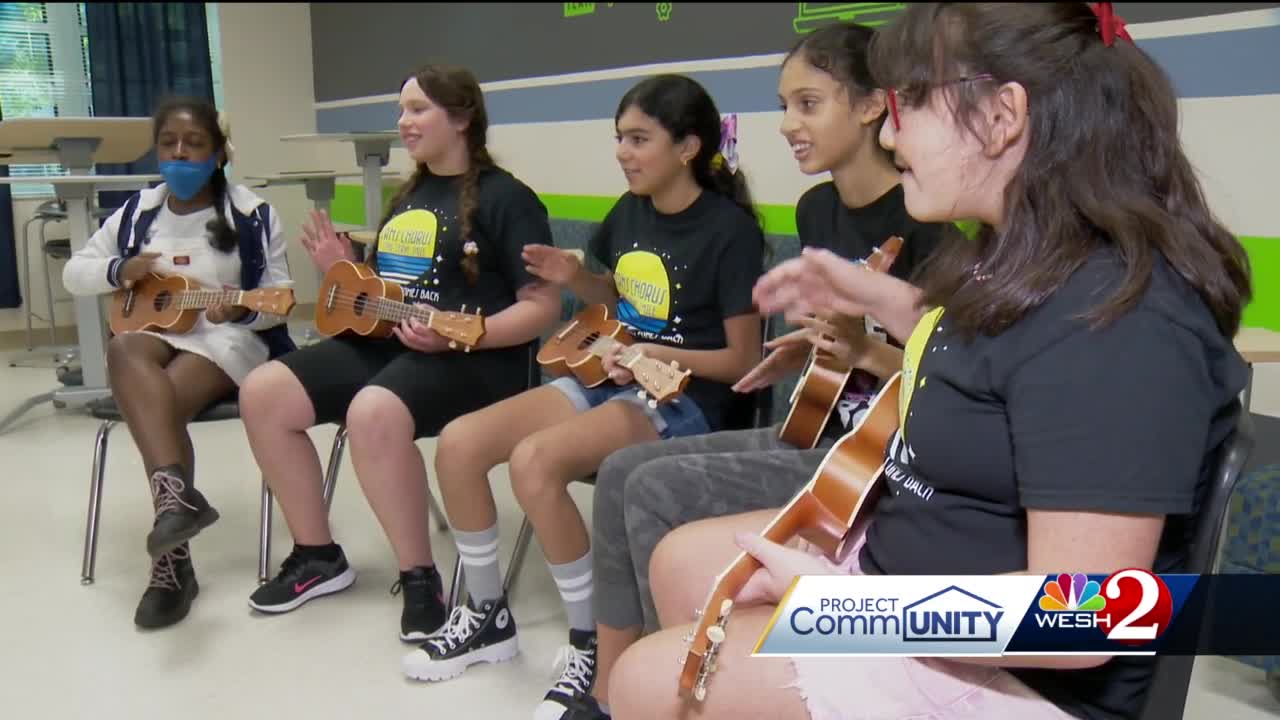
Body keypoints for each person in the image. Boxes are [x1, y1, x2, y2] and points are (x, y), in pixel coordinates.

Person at [607, 3, 1252, 719]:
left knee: (647, 680)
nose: (888, 132)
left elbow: (1083, 619)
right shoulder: (1021, 257)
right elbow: (998, 357)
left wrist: (848, 608)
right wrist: (874, 294)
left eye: (909, 102)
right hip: (906, 576)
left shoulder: (1120, 320)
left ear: (1003, 114)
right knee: (679, 559)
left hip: (1021, 677)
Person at [567, 23, 946, 720]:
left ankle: (674, 685)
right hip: (816, 424)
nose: (786, 126)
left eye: (808, 104)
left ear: (871, 107)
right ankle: (610, 684)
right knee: (624, 470)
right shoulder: (817, 209)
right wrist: (807, 346)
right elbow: (844, 331)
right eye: (783, 106)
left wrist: (863, 349)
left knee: (651, 488)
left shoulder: (929, 224)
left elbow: (945, 378)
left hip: (872, 457)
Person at [404, 73, 766, 711]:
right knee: (460, 444)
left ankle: (590, 640)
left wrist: (653, 352)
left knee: (534, 461)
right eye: (619, 138)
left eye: (638, 139)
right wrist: (579, 277)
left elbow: (742, 359)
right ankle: (487, 615)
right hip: (612, 375)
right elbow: (614, 296)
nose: (623, 152)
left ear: (686, 148)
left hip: (686, 404)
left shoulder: (729, 231)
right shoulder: (630, 210)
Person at [237, 64, 561, 644]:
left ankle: (420, 579)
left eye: (417, 110)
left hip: (479, 361)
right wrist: (344, 269)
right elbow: (385, 295)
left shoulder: (510, 199)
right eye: (402, 110)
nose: (403, 122)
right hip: (396, 346)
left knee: (372, 411)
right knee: (263, 392)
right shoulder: (409, 194)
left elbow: (540, 309)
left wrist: (465, 333)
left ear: (460, 119)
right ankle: (318, 555)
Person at [62, 97, 294, 629]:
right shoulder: (138, 212)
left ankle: (171, 565)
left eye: (194, 145)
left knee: (156, 398)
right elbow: (76, 272)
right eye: (169, 144)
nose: (179, 154)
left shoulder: (252, 214)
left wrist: (240, 304)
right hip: (150, 336)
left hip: (226, 340)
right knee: (125, 349)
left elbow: (278, 296)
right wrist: (119, 269)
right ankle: (176, 503)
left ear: (217, 154)